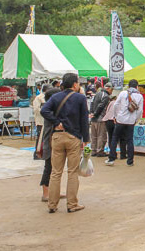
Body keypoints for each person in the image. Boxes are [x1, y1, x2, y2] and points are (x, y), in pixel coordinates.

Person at [40, 72, 90, 213]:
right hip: (73, 137)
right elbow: (84, 120)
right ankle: (72, 204)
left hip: (57, 137)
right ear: (75, 84)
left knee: (56, 172)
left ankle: (52, 204)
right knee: (72, 172)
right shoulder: (80, 98)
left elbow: (44, 110)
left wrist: (56, 122)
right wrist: (86, 139)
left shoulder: (55, 97)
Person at [105, 79, 144, 166]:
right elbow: (140, 110)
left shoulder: (123, 93)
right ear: (137, 86)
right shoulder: (139, 96)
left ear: (129, 86)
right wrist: (136, 120)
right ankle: (130, 161)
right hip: (131, 121)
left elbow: (115, 105)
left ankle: (111, 159)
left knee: (115, 138)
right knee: (130, 140)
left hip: (121, 119)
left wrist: (115, 116)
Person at [34, 85, 60, 202]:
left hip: (52, 142)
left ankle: (53, 191)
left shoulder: (50, 109)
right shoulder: (48, 110)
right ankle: (46, 193)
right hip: (49, 142)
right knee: (48, 167)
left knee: (55, 168)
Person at [89, 83, 112, 156]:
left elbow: (92, 104)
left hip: (93, 119)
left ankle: (93, 150)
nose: (112, 91)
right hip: (101, 118)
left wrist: (92, 113)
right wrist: (95, 114)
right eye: (112, 89)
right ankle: (100, 151)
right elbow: (101, 106)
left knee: (94, 136)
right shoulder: (106, 96)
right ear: (108, 88)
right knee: (101, 135)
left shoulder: (97, 94)